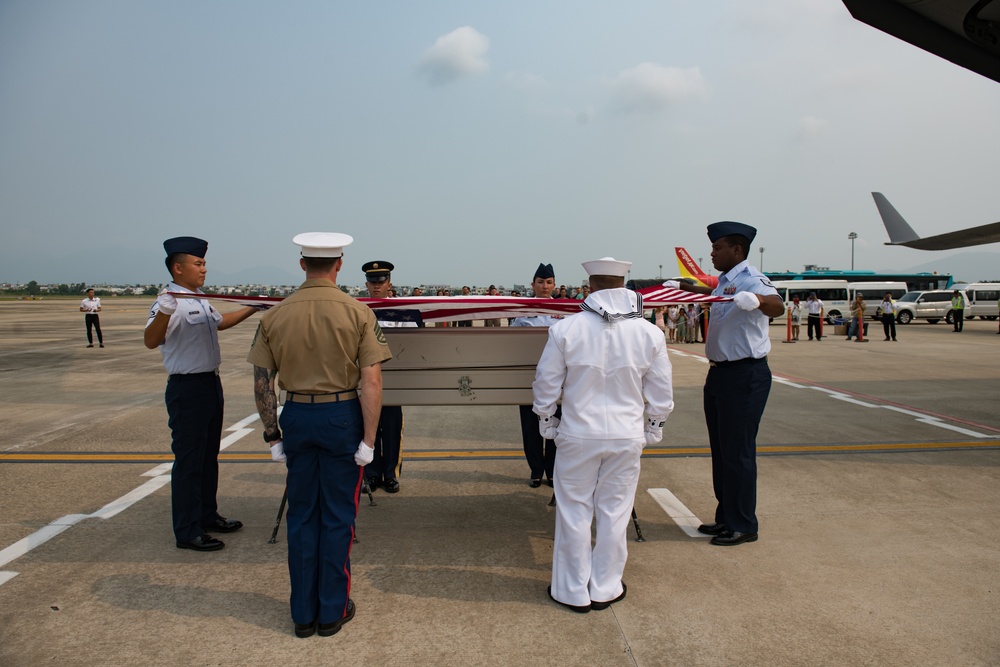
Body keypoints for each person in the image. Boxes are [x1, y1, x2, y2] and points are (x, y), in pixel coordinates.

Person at [247, 232, 392, 639]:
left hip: (296, 416)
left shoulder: (275, 314)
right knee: (338, 518)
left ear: (301, 265)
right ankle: (331, 611)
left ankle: (302, 613)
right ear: (340, 264)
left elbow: (262, 382)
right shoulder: (357, 312)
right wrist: (368, 440)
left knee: (302, 516)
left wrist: (272, 435)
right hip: (341, 416)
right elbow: (373, 383)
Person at [533, 256, 674, 613]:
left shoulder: (566, 329)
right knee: (615, 512)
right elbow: (661, 390)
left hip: (579, 433)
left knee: (574, 512)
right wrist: (654, 425)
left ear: (591, 286)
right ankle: (605, 587)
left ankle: (571, 590)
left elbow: (546, 383)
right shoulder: (649, 332)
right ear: (623, 285)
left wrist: (546, 419)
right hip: (626, 436)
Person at [665, 222, 784, 546]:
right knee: (722, 450)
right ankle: (726, 517)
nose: (712, 253)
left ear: (737, 250)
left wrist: (757, 301)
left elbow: (777, 305)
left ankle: (744, 523)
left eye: (717, 248)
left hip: (745, 375)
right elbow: (714, 297)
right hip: (719, 373)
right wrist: (683, 288)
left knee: (739, 451)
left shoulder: (751, 279)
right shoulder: (725, 282)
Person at [143, 236, 259, 551]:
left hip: (209, 384)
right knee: (190, 460)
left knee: (208, 457)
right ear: (178, 268)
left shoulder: (198, 299)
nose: (204, 268)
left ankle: (207, 514)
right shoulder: (168, 301)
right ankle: (187, 530)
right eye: (198, 263)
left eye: (204, 263)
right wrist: (165, 312)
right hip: (187, 388)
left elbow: (220, 323)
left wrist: (253, 308)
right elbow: (151, 340)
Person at [361, 260, 416, 493]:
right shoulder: (359, 311)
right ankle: (371, 474)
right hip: (366, 380)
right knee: (368, 427)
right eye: (373, 282)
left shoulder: (402, 311)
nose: (377, 286)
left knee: (392, 427)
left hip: (394, 380)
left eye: (381, 282)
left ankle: (391, 474)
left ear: (389, 283)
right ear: (366, 284)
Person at [511, 262, 561, 487]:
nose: (545, 286)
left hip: (556, 379)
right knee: (531, 426)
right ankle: (535, 470)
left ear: (554, 285)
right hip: (528, 377)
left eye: (549, 282)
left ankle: (552, 470)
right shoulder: (522, 312)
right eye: (540, 282)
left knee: (556, 425)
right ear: (533, 284)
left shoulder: (562, 312)